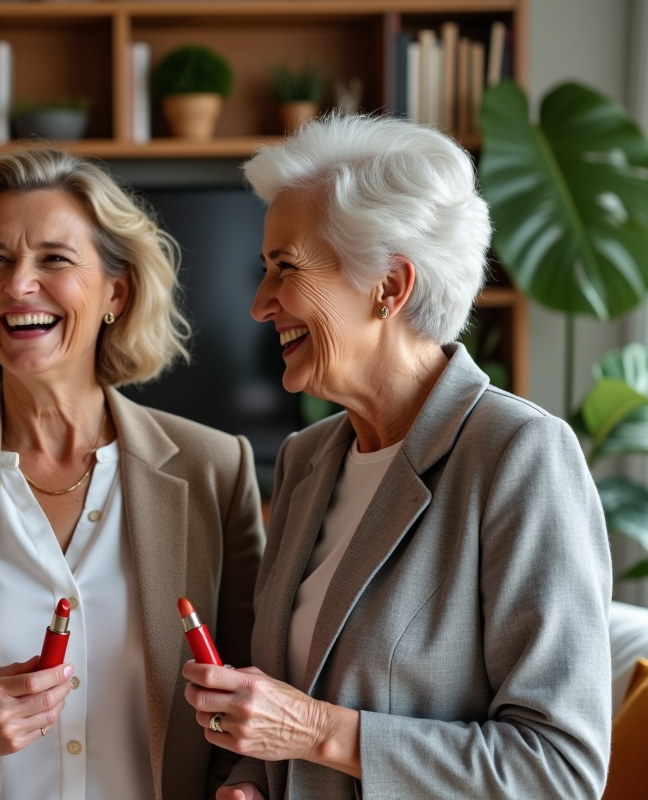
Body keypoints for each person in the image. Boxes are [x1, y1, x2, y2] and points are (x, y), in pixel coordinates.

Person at [182, 115, 612, 799]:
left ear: (390, 285)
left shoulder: (518, 456)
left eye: (285, 268)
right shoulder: (306, 459)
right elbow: (277, 713)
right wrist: (251, 783)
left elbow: (557, 771)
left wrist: (316, 732)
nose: (261, 304)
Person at [0, 147, 266, 800]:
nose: (17, 286)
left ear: (115, 293)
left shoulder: (218, 470)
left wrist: (245, 787)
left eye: (54, 259)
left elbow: (254, 684)